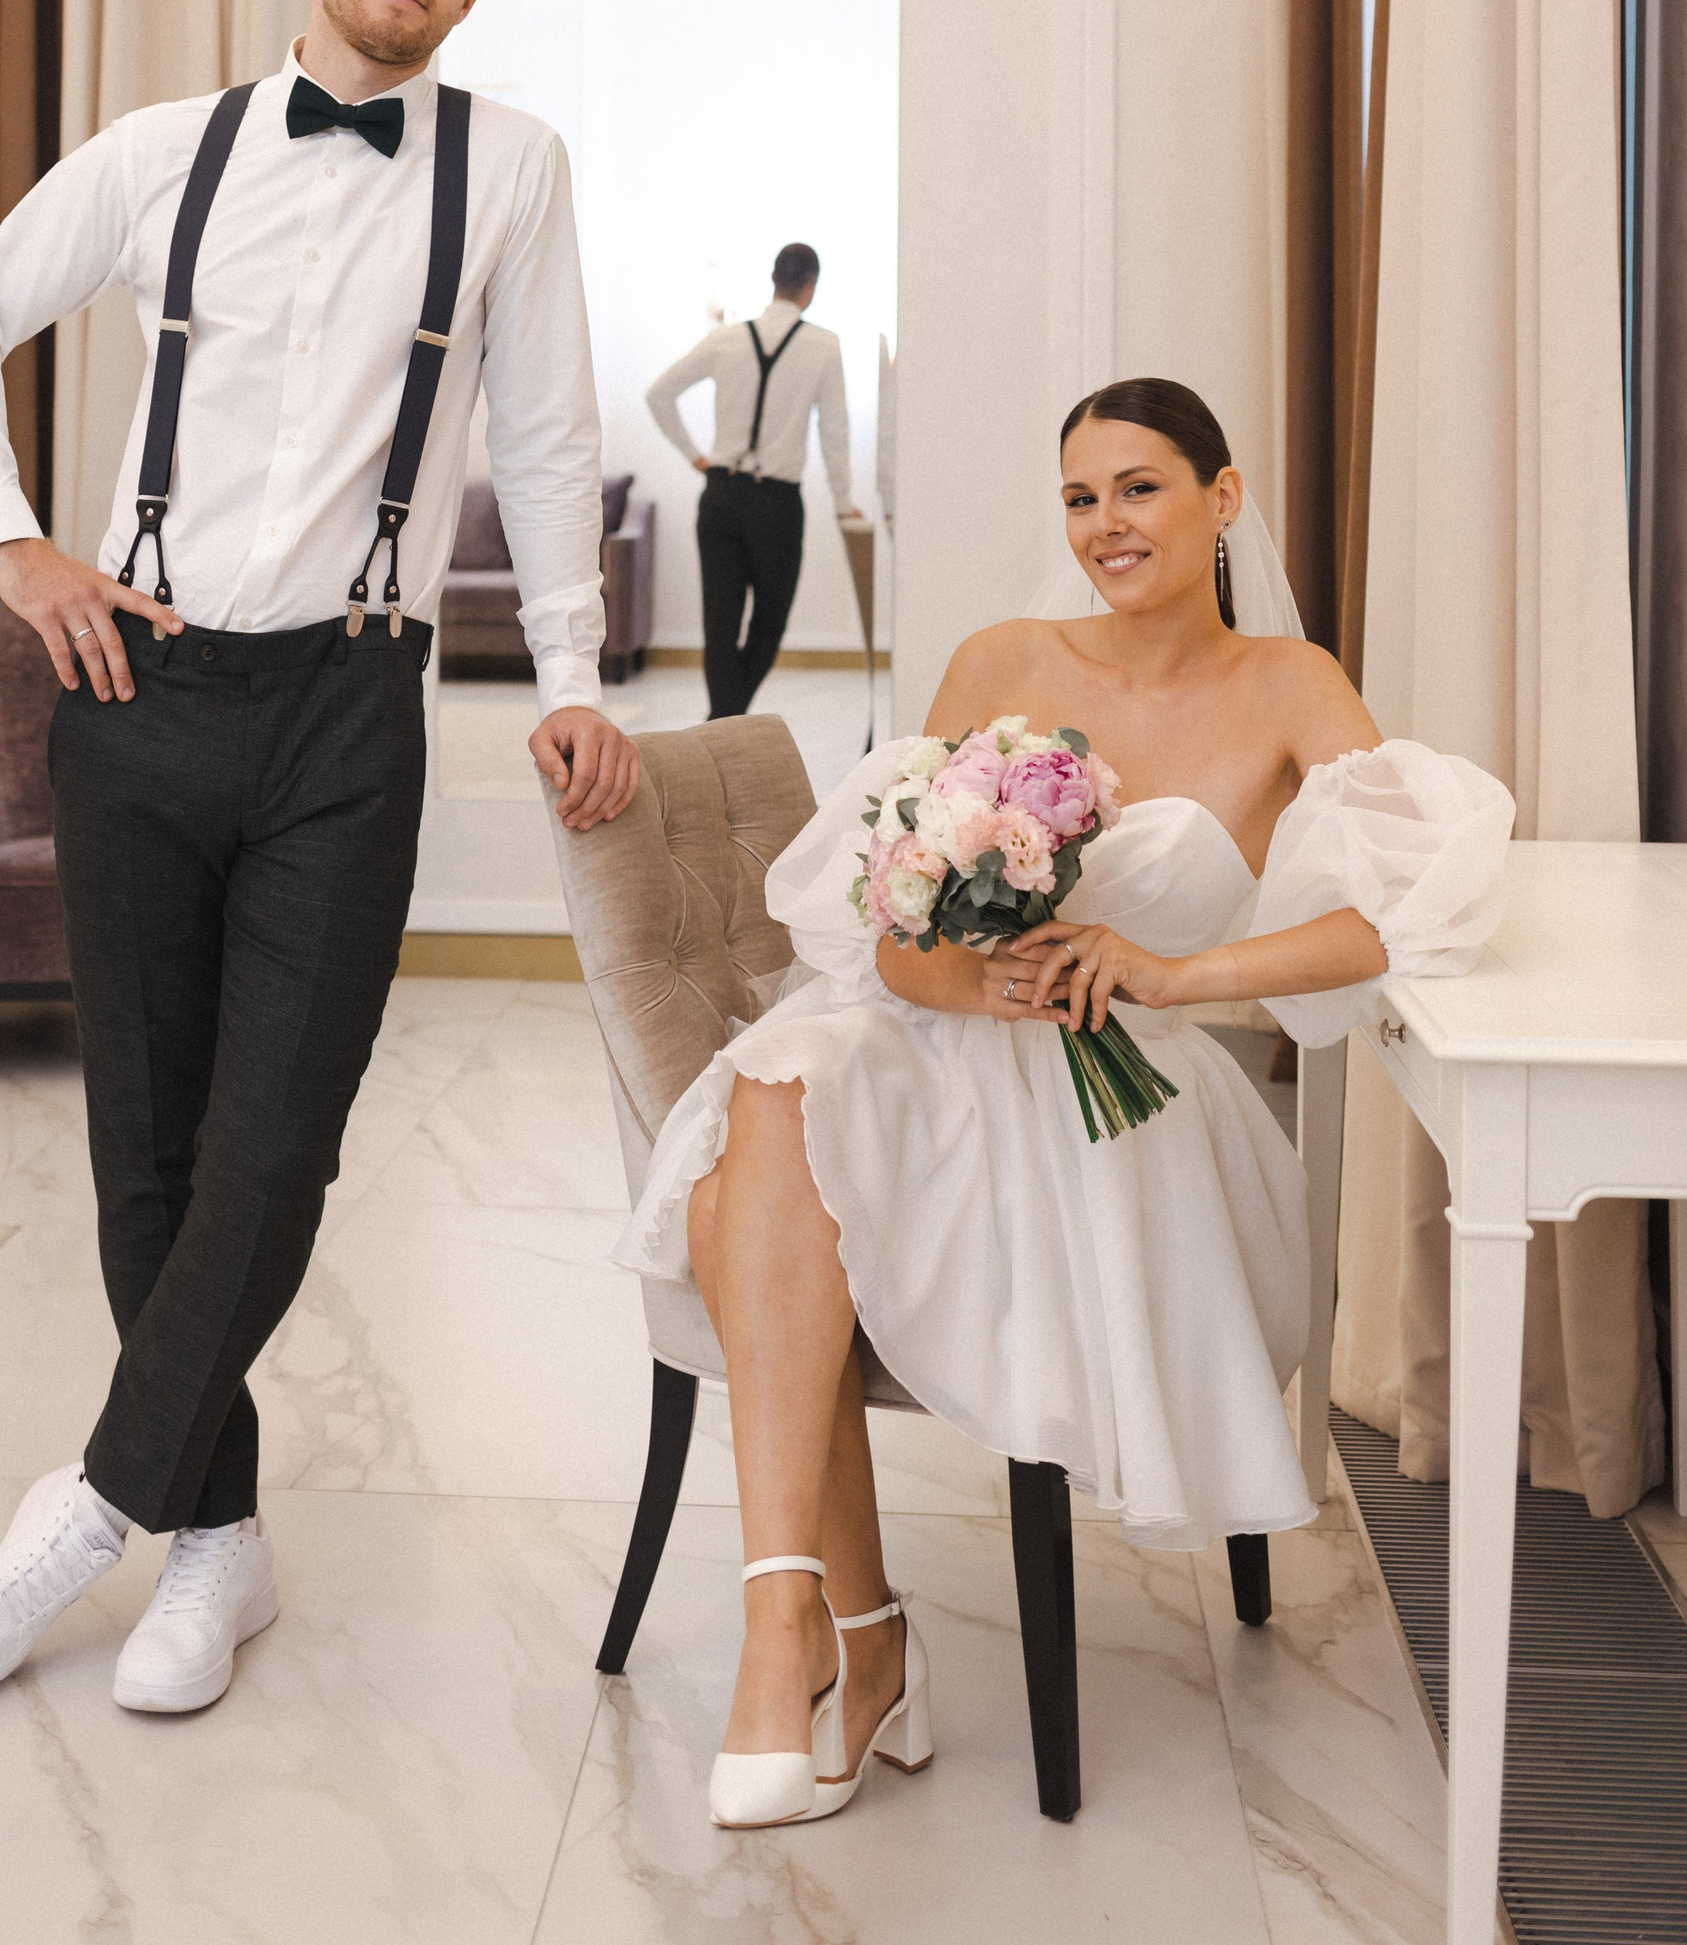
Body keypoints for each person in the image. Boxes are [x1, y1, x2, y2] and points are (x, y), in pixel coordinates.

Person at [0, 0, 640, 1718]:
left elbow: (550, 437)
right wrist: (13, 545)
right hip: (135, 691)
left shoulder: (515, 171)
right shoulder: (164, 153)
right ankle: (216, 1541)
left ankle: (86, 1510)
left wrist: (571, 671)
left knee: (278, 1138)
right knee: (145, 1145)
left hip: (348, 711)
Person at [612, 375, 1514, 1829]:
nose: (1106, 525)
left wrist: (1171, 973)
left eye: (1140, 487)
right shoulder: (1002, 658)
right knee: (781, 1086)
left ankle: (862, 1646)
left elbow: (1400, 919)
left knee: (764, 1189)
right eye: (1082, 498)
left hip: (1122, 1086)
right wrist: (985, 985)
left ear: (1223, 500)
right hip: (935, 1039)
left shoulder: (1290, 684)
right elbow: (891, 940)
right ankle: (792, 1628)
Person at [646, 242, 868, 717]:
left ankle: (721, 722)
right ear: (810, 286)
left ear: (773, 280)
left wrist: (695, 457)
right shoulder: (824, 345)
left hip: (721, 495)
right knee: (770, 622)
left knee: (719, 624)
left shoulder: (725, 338)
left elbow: (659, 394)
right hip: (777, 505)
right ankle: (727, 723)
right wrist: (842, 502)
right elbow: (834, 431)